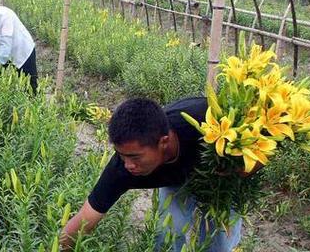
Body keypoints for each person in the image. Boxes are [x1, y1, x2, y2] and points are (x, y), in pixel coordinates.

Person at [60, 97, 243, 251]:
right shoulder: (122, 169)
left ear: (164, 142)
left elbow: (263, 145)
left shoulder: (205, 121)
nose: (128, 165)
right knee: (167, 232)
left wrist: (242, 169)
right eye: (122, 156)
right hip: (176, 180)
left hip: (220, 178)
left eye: (134, 157)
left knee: (218, 241)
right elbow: (86, 218)